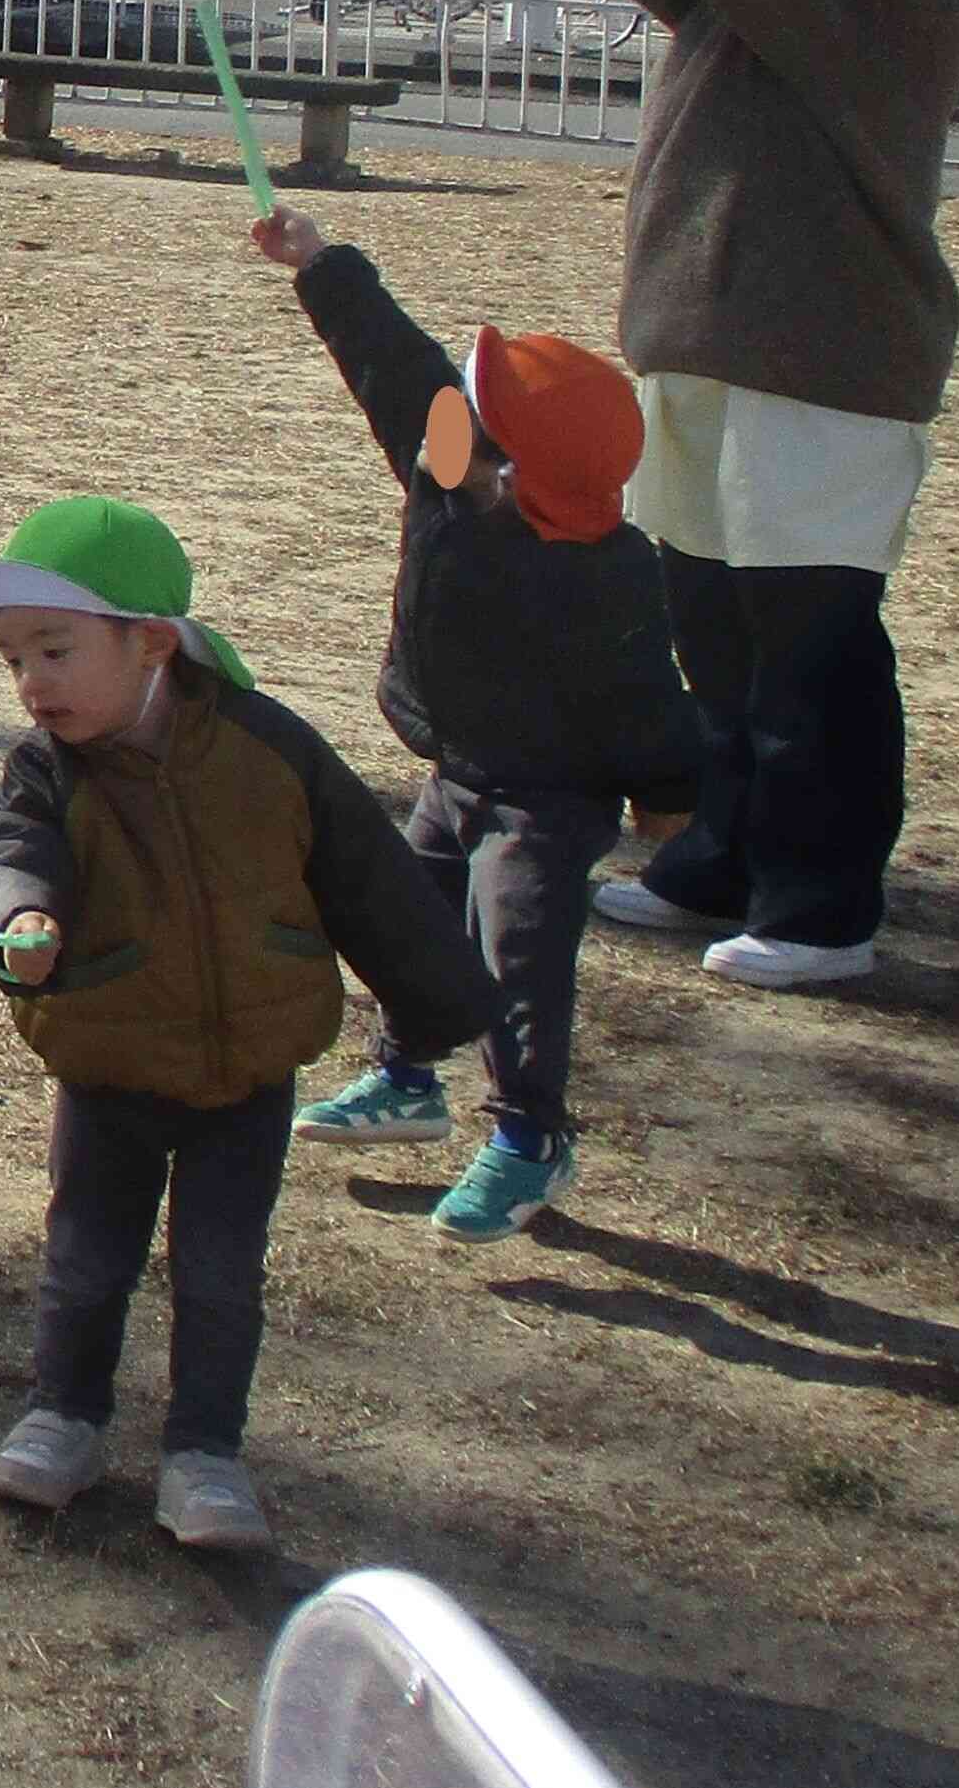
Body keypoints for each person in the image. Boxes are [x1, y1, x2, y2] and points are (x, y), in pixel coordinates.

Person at [481, 0, 959, 991]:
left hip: (827, 368)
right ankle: (722, 856)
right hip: (706, 349)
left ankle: (822, 906)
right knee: (716, 635)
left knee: (812, 646)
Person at [0, 497, 488, 1554]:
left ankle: (205, 1454)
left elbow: (367, 876)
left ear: (150, 641)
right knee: (86, 1254)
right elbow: (14, 851)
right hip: (109, 1058)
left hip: (248, 1070)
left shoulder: (269, 749)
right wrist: (16, 920)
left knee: (219, 1268)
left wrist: (438, 1002)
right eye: (15, 658)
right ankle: (64, 1415)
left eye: (56, 650)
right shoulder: (47, 770)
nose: (33, 683)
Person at [251, 211, 702, 1241]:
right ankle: (407, 1080)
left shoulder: (609, 579)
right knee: (405, 924)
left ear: (521, 473)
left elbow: (653, 704)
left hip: (546, 803)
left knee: (516, 968)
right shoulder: (450, 467)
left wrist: (671, 796)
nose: (451, 425)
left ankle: (530, 1138)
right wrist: (322, 266)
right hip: (455, 770)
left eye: (479, 422)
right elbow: (395, 364)